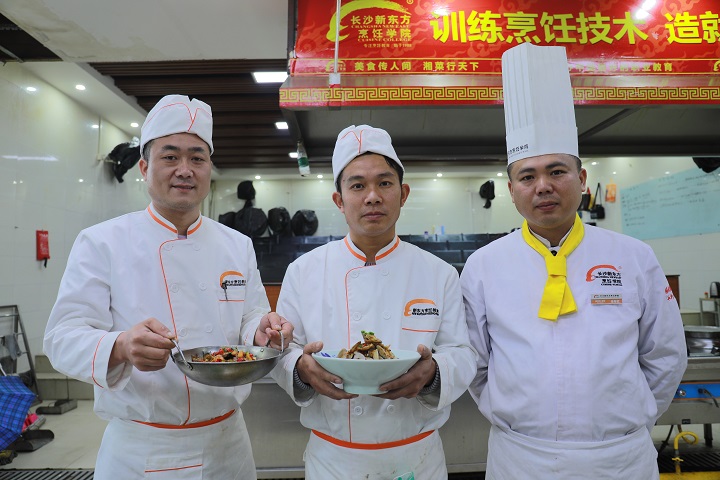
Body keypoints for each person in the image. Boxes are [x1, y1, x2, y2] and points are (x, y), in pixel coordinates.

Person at [460, 43, 687, 479]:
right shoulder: (484, 266)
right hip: (520, 458)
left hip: (620, 459)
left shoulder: (633, 256)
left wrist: (628, 421)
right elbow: (476, 363)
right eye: (527, 176)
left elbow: (665, 354)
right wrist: (510, 414)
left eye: (557, 171)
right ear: (511, 190)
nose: (543, 186)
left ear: (582, 179)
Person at [44, 94, 293, 479]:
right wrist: (121, 345)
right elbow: (61, 338)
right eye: (170, 157)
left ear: (209, 169)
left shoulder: (236, 244)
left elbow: (250, 315)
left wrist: (260, 329)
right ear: (144, 167)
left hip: (229, 444)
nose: (185, 170)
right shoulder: (102, 241)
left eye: (197, 158)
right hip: (143, 450)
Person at [270, 125, 478, 479]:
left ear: (403, 193)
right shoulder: (304, 271)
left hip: (416, 458)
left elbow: (462, 352)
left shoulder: (438, 272)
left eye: (384, 183)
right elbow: (283, 349)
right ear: (339, 200)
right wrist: (300, 369)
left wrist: (434, 374)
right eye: (357, 186)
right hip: (334, 461)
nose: (372, 197)